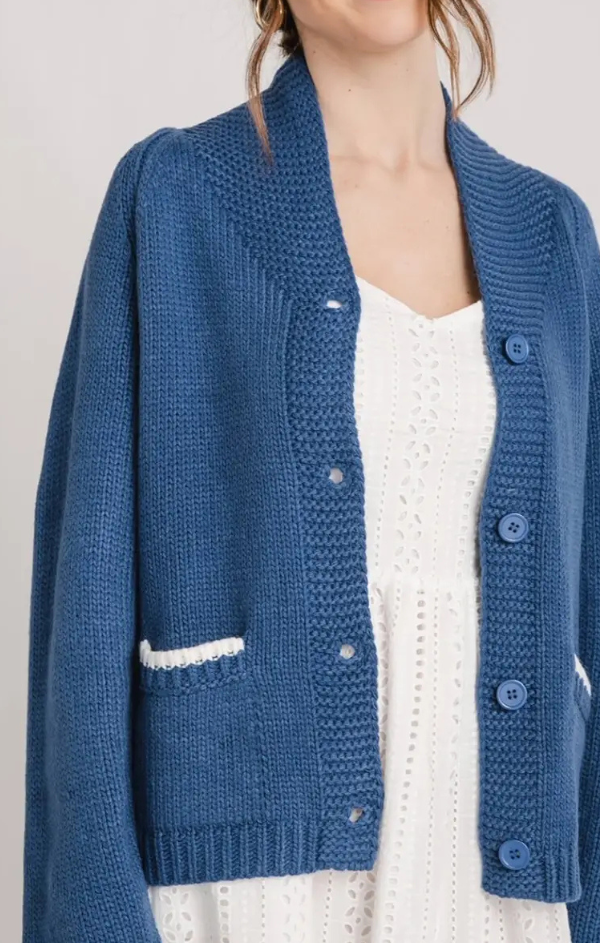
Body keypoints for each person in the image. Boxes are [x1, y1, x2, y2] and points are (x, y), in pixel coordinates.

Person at [22, 1, 600, 942]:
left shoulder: (554, 233)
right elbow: (83, 608)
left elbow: (589, 614)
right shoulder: (177, 195)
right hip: (251, 884)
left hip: (495, 882)